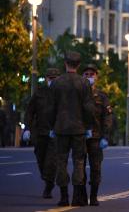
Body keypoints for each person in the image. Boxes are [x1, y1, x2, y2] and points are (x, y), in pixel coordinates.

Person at [51, 51, 95, 207]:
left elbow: (52, 108)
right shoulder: (84, 83)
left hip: (61, 128)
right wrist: (89, 126)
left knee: (61, 161)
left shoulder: (57, 82)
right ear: (78, 65)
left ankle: (63, 197)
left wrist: (52, 126)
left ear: (65, 63)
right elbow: (89, 108)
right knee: (79, 162)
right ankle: (77, 197)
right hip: (78, 129)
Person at [23, 68, 60, 198]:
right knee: (41, 160)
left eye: (54, 78)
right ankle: (47, 180)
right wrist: (27, 128)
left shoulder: (63, 94)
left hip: (55, 134)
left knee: (51, 161)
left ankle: (48, 186)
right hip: (39, 132)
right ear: (46, 79)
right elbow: (29, 112)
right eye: (50, 78)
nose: (52, 80)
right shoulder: (39, 93)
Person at [81, 64, 113, 206]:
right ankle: (81, 196)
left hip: (96, 137)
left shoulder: (102, 96)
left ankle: (93, 196)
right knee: (79, 168)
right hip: (80, 136)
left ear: (96, 77)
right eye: (86, 74)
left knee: (96, 168)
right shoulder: (77, 94)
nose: (89, 77)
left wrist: (105, 136)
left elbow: (107, 117)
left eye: (91, 74)